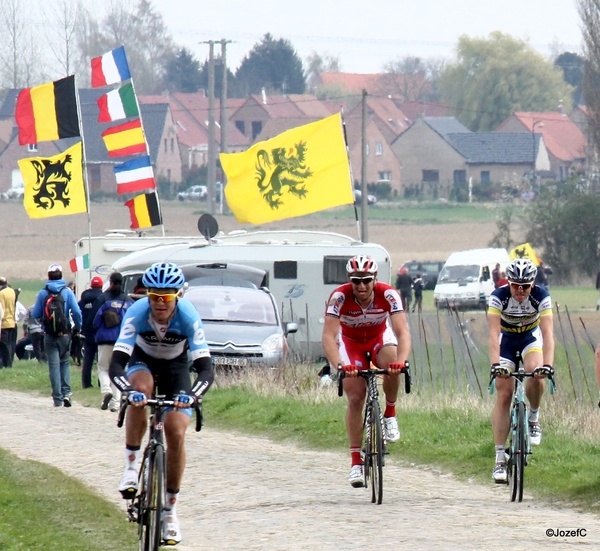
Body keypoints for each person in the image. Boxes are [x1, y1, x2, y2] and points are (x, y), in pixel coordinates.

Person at [109, 262, 214, 545]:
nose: (159, 303)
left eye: (166, 297)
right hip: (142, 362)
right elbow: (116, 364)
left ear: (178, 295)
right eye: (153, 296)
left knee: (176, 430)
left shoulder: (189, 316)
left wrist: (192, 395)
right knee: (141, 390)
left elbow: (206, 369)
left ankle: (170, 512)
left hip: (176, 368)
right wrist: (127, 392)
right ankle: (131, 468)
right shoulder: (136, 313)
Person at [322, 255, 411, 488]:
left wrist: (401, 362)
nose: (361, 286)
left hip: (379, 338)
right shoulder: (339, 297)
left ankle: (390, 414)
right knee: (354, 397)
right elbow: (329, 336)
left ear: (375, 279)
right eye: (356, 281)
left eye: (366, 280)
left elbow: (402, 332)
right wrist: (340, 366)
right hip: (351, 344)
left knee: (392, 364)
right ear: (349, 280)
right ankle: (355, 463)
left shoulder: (389, 294)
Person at [487, 258, 554, 483]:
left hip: (529, 339)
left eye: (525, 285)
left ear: (533, 283)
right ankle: (499, 458)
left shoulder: (541, 296)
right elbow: (493, 335)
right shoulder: (499, 296)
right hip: (506, 343)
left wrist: (549, 366)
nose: (520, 290)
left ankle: (533, 417)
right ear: (509, 282)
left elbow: (548, 334)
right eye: (516, 284)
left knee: (535, 372)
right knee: (504, 394)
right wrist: (496, 365)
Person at [31, 264, 82, 407]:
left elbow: (35, 313)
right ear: (61, 275)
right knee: (64, 362)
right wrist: (78, 327)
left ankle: (57, 398)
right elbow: (77, 312)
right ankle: (67, 393)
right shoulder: (67, 292)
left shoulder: (43, 293)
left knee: (53, 366)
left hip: (49, 334)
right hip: (65, 333)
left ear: (48, 276)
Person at [93, 272, 132, 412]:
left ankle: (106, 391)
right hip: (123, 342)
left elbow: (96, 321)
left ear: (110, 282)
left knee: (103, 368)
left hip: (105, 339)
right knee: (118, 370)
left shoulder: (103, 299)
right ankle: (115, 403)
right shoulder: (128, 301)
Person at [78, 276, 104, 388]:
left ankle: (86, 384)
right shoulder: (102, 299)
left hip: (86, 332)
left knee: (87, 360)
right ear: (102, 286)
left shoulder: (83, 299)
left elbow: (78, 312)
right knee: (101, 361)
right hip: (99, 332)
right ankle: (101, 382)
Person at [0, 277, 17, 368]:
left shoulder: (1, 293)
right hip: (12, 321)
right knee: (10, 344)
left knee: (4, 345)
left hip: (4, 323)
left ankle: (6, 364)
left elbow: (1, 309)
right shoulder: (11, 291)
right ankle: (9, 363)